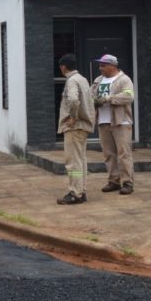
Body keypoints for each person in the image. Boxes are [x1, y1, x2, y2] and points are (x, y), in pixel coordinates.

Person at [93, 54, 136, 195]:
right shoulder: (98, 80)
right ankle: (114, 181)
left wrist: (108, 99)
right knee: (108, 154)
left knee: (124, 153)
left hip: (121, 122)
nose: (100, 68)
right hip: (103, 121)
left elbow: (129, 96)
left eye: (103, 65)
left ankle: (128, 182)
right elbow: (90, 95)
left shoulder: (124, 80)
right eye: (100, 65)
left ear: (112, 66)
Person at [56, 53, 94, 205]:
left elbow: (72, 99)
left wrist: (72, 117)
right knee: (81, 160)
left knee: (73, 162)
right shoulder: (83, 79)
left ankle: (75, 193)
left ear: (63, 67)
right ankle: (81, 191)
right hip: (83, 126)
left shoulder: (71, 81)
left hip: (75, 127)